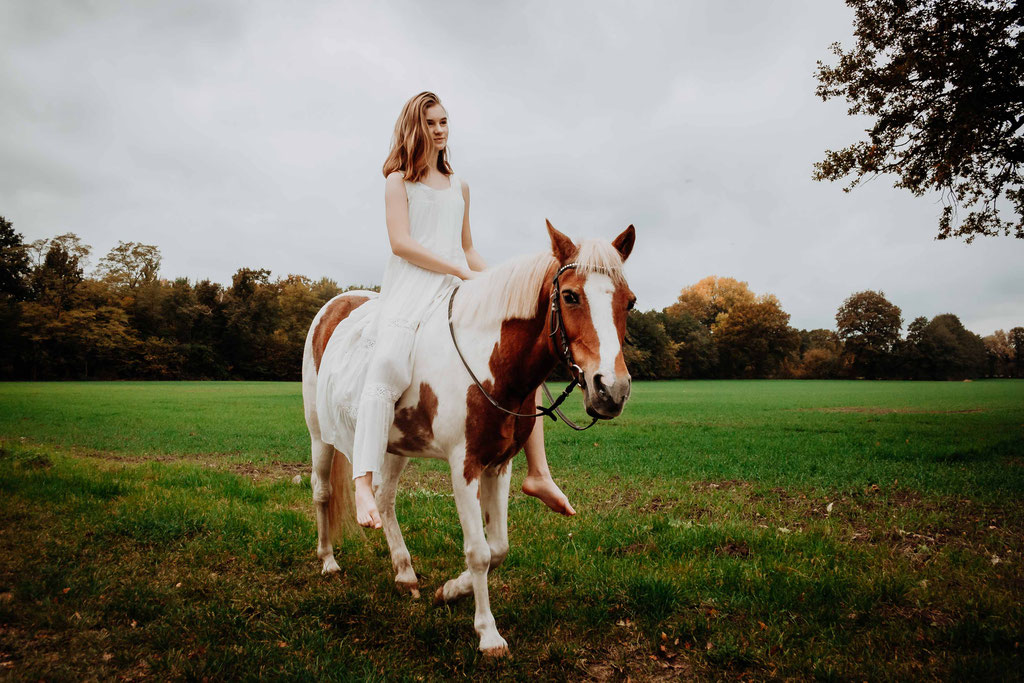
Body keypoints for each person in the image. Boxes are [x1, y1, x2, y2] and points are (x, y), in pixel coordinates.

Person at [351, 91, 576, 528]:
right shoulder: (397, 182)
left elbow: (468, 247)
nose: (440, 130)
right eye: (431, 123)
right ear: (415, 127)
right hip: (411, 287)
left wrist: (494, 282)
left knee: (516, 360)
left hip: (457, 284)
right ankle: (363, 481)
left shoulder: (460, 185)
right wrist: (456, 268)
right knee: (387, 365)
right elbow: (401, 244)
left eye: (444, 122)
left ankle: (540, 473)